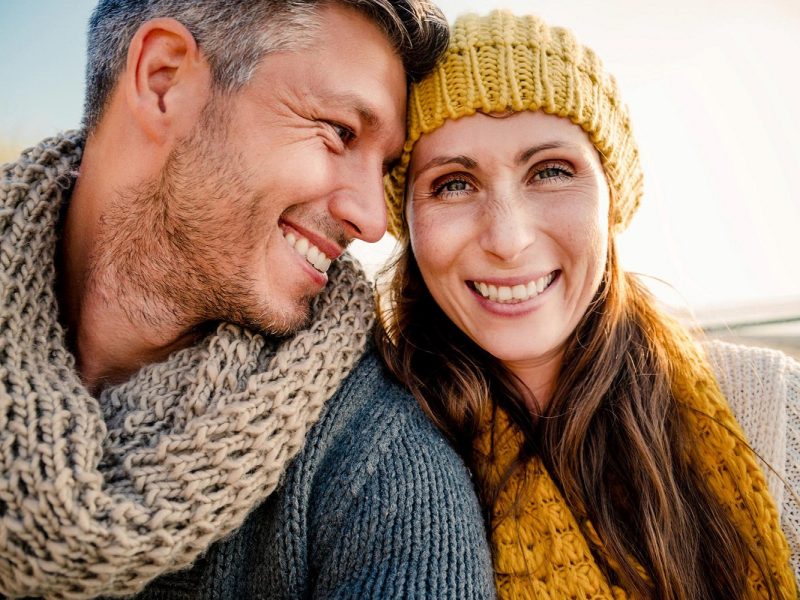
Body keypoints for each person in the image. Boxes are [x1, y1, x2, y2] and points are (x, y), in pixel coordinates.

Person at [0, 1, 494, 598]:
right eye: (340, 133)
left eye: (385, 166)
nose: (372, 219)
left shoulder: (381, 472)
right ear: (163, 81)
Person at [378, 10, 799, 599]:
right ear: (408, 222)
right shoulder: (365, 460)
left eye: (550, 171)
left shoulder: (774, 411)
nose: (507, 238)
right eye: (453, 183)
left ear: (611, 197)